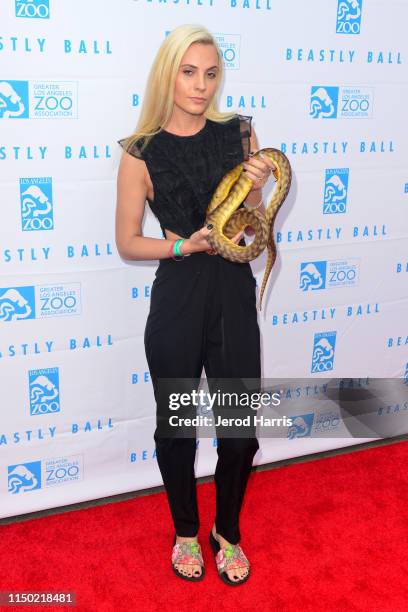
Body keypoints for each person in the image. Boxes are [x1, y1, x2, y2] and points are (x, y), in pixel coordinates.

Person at [115, 24, 275, 586]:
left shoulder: (239, 135)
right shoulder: (142, 152)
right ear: (168, 74)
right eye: (188, 72)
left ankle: (225, 532)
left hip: (232, 293)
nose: (201, 86)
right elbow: (128, 241)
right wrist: (184, 244)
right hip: (179, 295)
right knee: (177, 429)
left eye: (210, 74)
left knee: (240, 434)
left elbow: (249, 211)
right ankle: (186, 530)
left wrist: (256, 184)